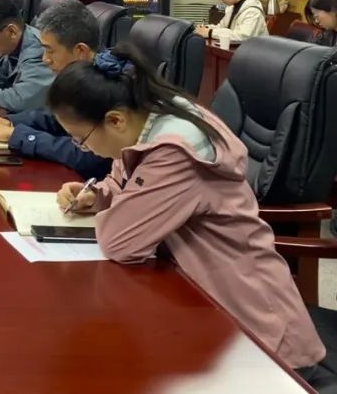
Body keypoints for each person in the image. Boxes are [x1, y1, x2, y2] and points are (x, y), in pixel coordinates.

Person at [49, 44, 325, 380]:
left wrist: (118, 206)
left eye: (80, 139)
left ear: (115, 120)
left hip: (258, 336)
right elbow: (125, 181)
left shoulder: (174, 150)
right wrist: (98, 195)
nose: (84, 148)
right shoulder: (146, 117)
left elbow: (120, 242)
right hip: (203, 309)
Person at [0, 0, 111, 180]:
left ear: (80, 51)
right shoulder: (79, 78)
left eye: (50, 51)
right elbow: (56, 120)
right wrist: (8, 121)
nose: (45, 59)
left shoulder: (107, 86)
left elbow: (88, 156)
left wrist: (18, 135)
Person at [194, 0, 268, 43]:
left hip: (254, 51)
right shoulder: (232, 7)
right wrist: (206, 28)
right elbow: (222, 27)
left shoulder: (253, 11)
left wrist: (210, 32)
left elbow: (242, 37)